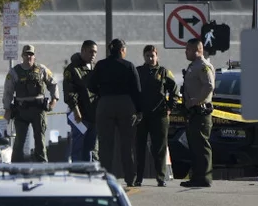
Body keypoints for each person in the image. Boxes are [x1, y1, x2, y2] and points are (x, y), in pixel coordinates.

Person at [87, 39, 142, 185]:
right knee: (127, 144)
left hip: (105, 104)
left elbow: (90, 85)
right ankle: (130, 178)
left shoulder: (100, 65)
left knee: (105, 144)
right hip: (126, 104)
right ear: (122, 50)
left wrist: (102, 92)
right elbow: (137, 90)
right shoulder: (129, 65)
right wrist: (139, 110)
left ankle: (106, 177)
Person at [1, 44, 59, 162]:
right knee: (19, 141)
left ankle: (41, 165)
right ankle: (16, 167)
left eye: (31, 54)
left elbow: (53, 84)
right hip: (21, 111)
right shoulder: (14, 72)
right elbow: (8, 91)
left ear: (34, 56)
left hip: (39, 111)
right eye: (26, 54)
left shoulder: (42, 69)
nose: (29, 56)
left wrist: (54, 100)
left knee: (40, 140)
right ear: (22, 56)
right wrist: (7, 109)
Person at [134, 45, 178, 187]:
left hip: (159, 115)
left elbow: (174, 90)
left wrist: (170, 106)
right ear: (144, 57)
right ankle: (138, 178)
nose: (150, 58)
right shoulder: (138, 71)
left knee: (159, 147)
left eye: (152, 55)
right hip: (142, 114)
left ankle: (161, 177)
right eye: (147, 56)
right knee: (139, 147)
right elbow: (132, 90)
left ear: (157, 56)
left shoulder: (164, 72)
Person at [181, 38, 215, 188]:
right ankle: (197, 177)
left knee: (201, 146)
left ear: (197, 50)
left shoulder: (203, 66)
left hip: (201, 112)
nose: (185, 52)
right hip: (193, 113)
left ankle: (204, 177)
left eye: (188, 49)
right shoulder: (193, 66)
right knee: (195, 146)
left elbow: (209, 86)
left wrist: (195, 101)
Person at [62, 40, 98, 162]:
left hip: (92, 114)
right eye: (91, 51)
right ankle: (77, 172)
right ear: (83, 50)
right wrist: (76, 110)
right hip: (79, 114)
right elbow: (69, 92)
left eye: (95, 52)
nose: (93, 55)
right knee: (78, 145)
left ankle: (89, 172)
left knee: (91, 146)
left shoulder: (94, 68)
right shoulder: (72, 69)